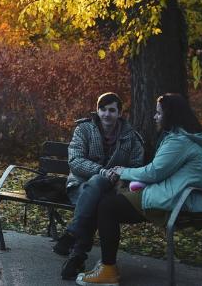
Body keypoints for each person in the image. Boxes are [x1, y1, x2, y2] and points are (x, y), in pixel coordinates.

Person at [75, 93, 202, 286]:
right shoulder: (182, 138)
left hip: (177, 200)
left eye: (158, 113)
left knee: (107, 206)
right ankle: (102, 261)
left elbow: (154, 172)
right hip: (173, 194)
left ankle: (107, 269)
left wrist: (123, 171)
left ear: (170, 115)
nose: (155, 117)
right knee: (107, 201)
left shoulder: (179, 141)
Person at [56, 92, 145, 280]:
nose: (106, 114)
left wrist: (122, 177)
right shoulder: (84, 130)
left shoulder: (131, 137)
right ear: (97, 110)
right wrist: (102, 172)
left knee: (100, 202)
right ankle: (77, 252)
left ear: (120, 113)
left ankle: (75, 243)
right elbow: (75, 161)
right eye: (102, 109)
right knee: (97, 187)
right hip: (81, 187)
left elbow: (137, 165)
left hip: (114, 190)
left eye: (112, 110)